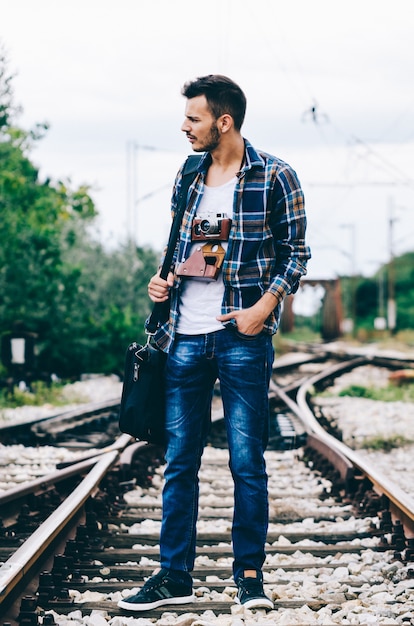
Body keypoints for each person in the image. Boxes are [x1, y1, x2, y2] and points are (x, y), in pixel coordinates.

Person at [118, 74, 311, 613]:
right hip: (184, 333)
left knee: (247, 461)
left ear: (223, 121)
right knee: (180, 459)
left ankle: (249, 577)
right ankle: (173, 575)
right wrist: (163, 282)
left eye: (194, 118)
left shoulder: (276, 176)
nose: (184, 127)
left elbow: (297, 253)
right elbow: (185, 244)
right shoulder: (190, 172)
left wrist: (261, 309)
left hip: (241, 337)